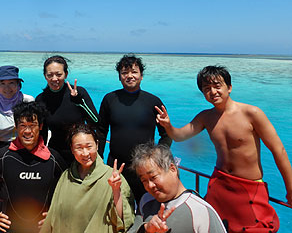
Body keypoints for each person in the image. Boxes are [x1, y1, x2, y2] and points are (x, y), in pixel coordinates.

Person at [156, 65, 292, 233]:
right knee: (214, 226)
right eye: (207, 89)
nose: (213, 91)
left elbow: (279, 151)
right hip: (219, 184)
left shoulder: (252, 113)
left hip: (249, 187)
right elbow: (179, 136)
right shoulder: (206, 117)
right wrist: (168, 125)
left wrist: (290, 189)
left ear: (229, 87)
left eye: (217, 86)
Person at [97, 54, 172, 207]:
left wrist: (158, 157)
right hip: (116, 166)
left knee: (149, 209)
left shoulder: (153, 101)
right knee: (116, 208)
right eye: (124, 73)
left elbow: (166, 134)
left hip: (145, 168)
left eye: (134, 72)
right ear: (119, 77)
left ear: (141, 76)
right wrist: (98, 161)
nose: (129, 76)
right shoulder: (109, 99)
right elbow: (101, 132)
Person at [0, 101, 66, 233]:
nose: (27, 131)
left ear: (41, 126)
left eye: (32, 125)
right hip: (5, 229)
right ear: (16, 126)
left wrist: (56, 217)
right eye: (22, 125)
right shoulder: (1, 157)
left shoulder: (54, 160)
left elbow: (69, 193)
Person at [40, 123, 135, 233]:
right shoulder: (66, 177)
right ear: (72, 149)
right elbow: (55, 215)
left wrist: (116, 190)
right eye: (79, 148)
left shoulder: (112, 177)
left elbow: (122, 221)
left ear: (97, 145)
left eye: (89, 146)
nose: (85, 153)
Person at [128, 142, 226, 233]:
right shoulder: (146, 201)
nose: (150, 185)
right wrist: (146, 229)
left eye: (153, 177)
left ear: (172, 169)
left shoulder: (200, 211)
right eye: (144, 180)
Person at [36, 55, 99, 165]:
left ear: (66, 74)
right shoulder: (41, 99)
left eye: (59, 74)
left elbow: (96, 122)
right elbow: (42, 132)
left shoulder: (78, 93)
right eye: (50, 75)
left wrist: (80, 102)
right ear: (45, 76)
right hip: (56, 152)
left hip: (81, 152)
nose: (54, 79)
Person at [0, 65, 34, 154]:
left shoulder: (28, 101)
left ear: (18, 85)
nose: (7, 88)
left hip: (24, 147)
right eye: (2, 83)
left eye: (11, 83)